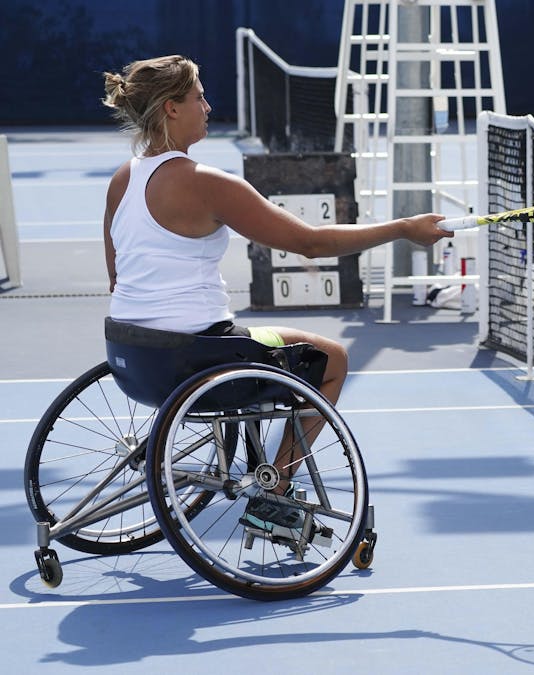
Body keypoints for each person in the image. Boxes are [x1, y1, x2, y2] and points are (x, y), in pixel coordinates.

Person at [101, 55, 452, 532]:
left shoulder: (123, 179)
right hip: (194, 359)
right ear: (170, 109)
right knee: (331, 360)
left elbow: (117, 278)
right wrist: (403, 228)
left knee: (254, 340)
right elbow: (309, 242)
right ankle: (276, 491)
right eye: (198, 96)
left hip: (129, 356)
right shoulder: (208, 185)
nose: (208, 104)